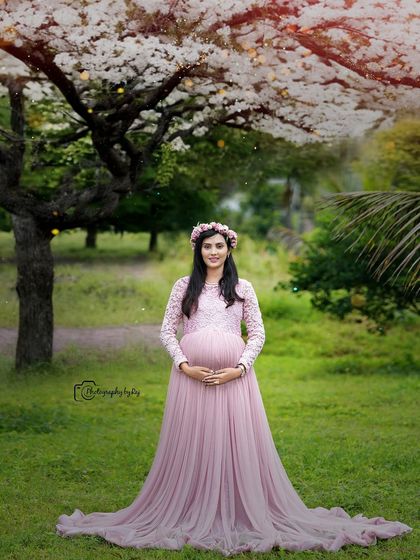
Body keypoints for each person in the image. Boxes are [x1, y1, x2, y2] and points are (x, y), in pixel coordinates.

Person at [56, 221, 413, 556]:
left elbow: (257, 333)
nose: (213, 252)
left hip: (234, 381)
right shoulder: (184, 286)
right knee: (194, 439)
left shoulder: (243, 288)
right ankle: (191, 505)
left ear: (229, 249)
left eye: (220, 246)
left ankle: (238, 506)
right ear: (198, 250)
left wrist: (239, 369)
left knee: (233, 441)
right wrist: (184, 365)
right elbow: (167, 330)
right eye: (207, 246)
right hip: (190, 379)